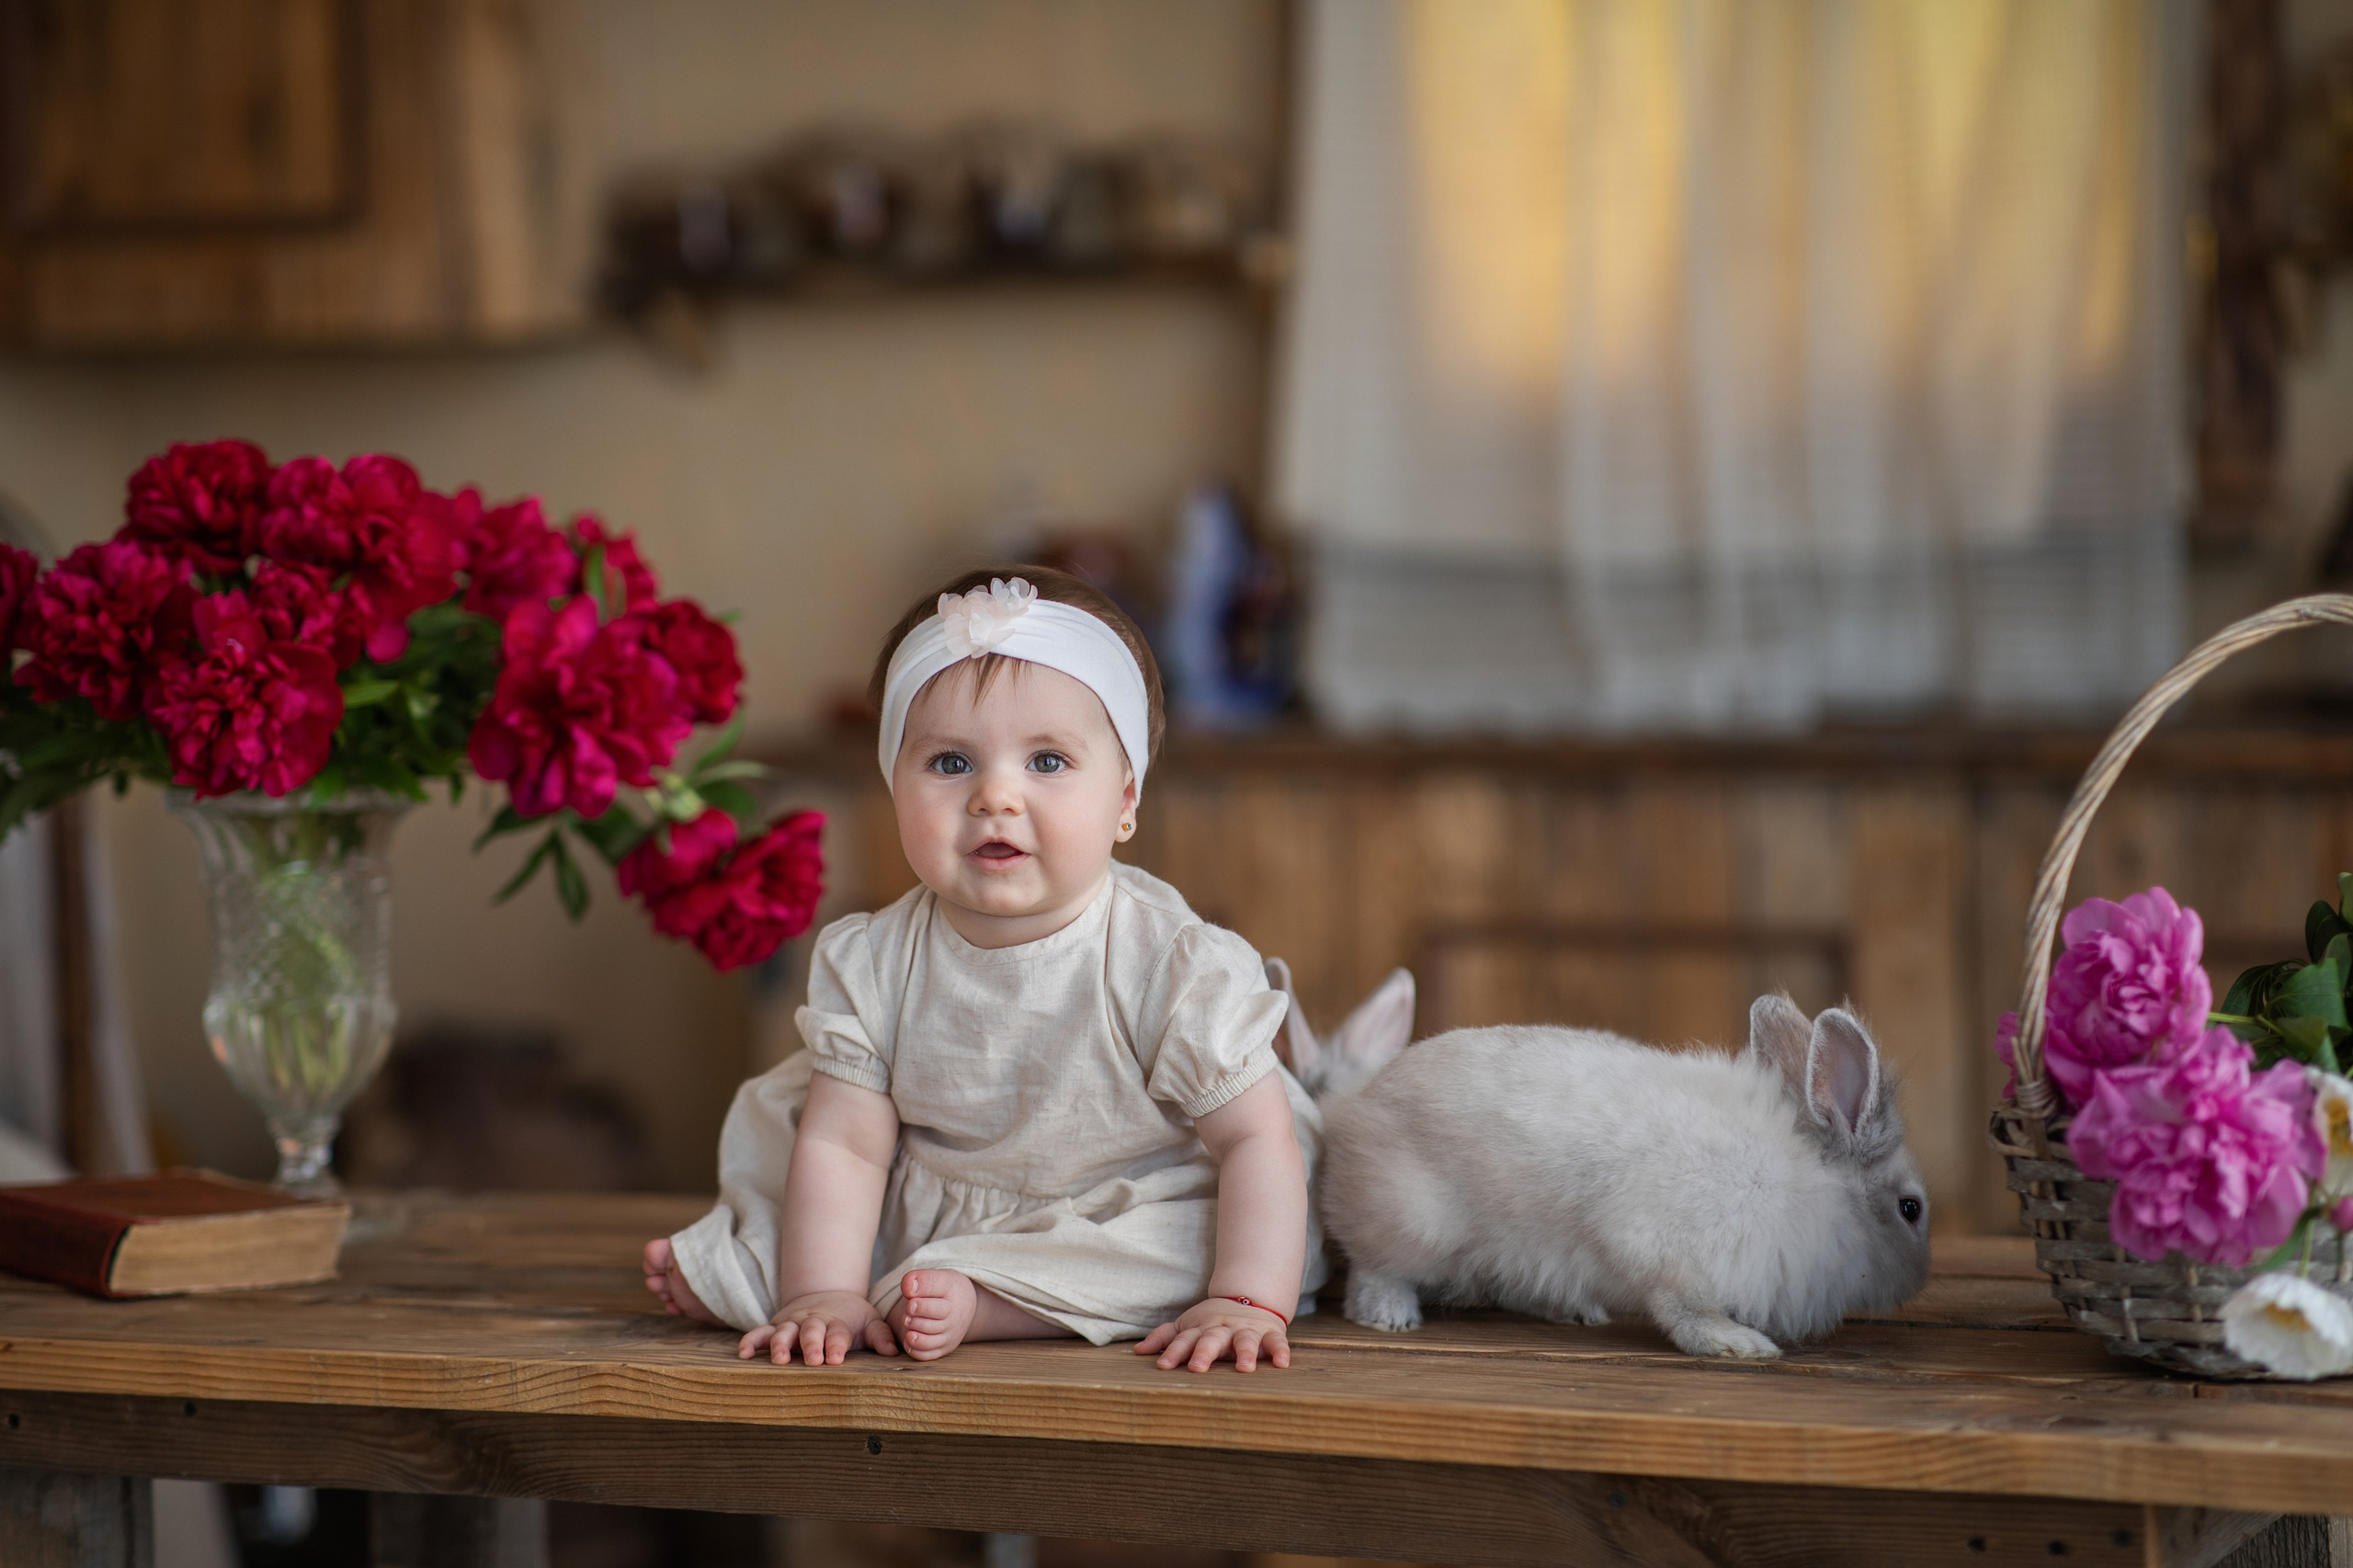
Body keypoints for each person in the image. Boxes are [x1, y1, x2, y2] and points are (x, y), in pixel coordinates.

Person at [642, 568, 1323, 1373]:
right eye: (952, 764)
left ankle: (993, 1303)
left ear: (1126, 798)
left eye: (1048, 761)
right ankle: (795, 1278)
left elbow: (1255, 1139)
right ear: (895, 785)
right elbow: (849, 1149)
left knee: (1196, 1242)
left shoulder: (1167, 962)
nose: (996, 795)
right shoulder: (875, 959)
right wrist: (821, 1292)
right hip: (935, 1194)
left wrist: (1244, 1298)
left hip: (1122, 1203)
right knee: (807, 1193)